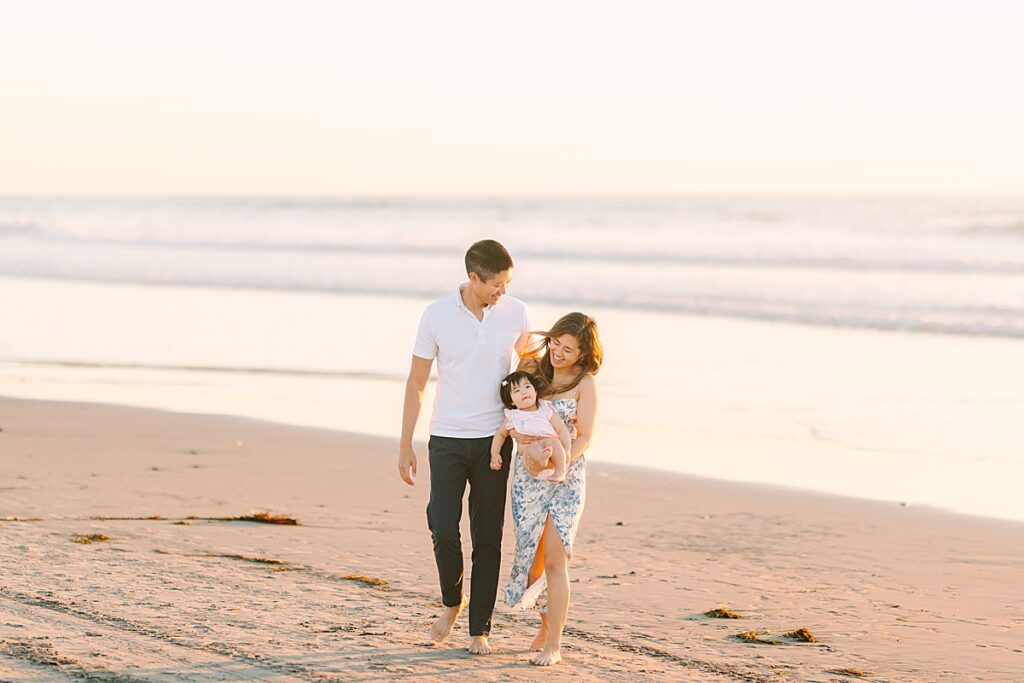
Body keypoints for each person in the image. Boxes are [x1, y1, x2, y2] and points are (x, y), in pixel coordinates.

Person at [398, 239, 530, 655]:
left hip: (494, 439)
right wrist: (406, 444)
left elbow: (529, 373)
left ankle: (480, 629)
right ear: (474, 278)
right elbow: (417, 382)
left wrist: (533, 428)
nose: (502, 292)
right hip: (448, 437)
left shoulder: (516, 313)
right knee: (441, 524)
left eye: (507, 284)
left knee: (488, 536)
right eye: (496, 284)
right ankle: (452, 603)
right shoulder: (436, 315)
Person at [503, 312, 602, 666]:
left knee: (556, 562)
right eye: (556, 344)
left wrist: (560, 462)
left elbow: (587, 435)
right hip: (528, 476)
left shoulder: (584, 383)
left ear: (583, 353)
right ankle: (545, 625)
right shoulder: (533, 370)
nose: (558, 353)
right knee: (533, 561)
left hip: (566, 478)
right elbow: (510, 411)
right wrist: (523, 444)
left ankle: (554, 644)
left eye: (568, 349)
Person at [490, 371, 571, 482]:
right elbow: (500, 434)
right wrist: (495, 454)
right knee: (532, 447)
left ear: (536, 391)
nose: (524, 392)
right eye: (517, 391)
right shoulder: (513, 416)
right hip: (528, 448)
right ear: (511, 401)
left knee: (554, 442)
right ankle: (541, 458)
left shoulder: (545, 409)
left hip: (548, 442)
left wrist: (566, 448)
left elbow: (561, 429)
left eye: (527, 386)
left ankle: (560, 471)